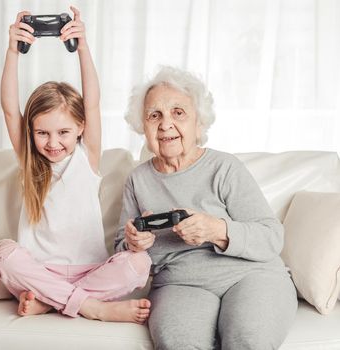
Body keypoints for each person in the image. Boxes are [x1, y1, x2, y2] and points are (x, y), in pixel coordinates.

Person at [115, 66, 298, 349]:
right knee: (179, 343)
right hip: (180, 285)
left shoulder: (225, 168)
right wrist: (133, 244)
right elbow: (119, 250)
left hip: (252, 276)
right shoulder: (137, 181)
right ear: (143, 126)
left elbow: (272, 236)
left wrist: (218, 230)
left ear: (198, 123)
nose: (165, 125)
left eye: (178, 113)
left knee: (247, 340)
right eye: (155, 115)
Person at [0, 7, 151, 324]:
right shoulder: (30, 161)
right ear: (31, 132)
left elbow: (92, 100)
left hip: (87, 270)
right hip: (38, 272)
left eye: (63, 132)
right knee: (2, 254)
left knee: (140, 263)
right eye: (42, 133)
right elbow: (10, 110)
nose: (52, 143)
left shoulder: (86, 155)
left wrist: (83, 46)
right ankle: (92, 307)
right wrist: (12, 51)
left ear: (80, 127)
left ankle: (52, 301)